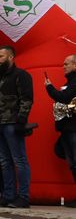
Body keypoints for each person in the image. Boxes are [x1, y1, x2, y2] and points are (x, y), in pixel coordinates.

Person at [0, 45, 33, 209]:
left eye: (0, 56)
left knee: (19, 160)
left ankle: (23, 197)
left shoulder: (21, 75)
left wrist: (21, 120)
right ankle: (8, 196)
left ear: (10, 57)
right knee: (4, 162)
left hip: (12, 123)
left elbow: (27, 99)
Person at [45, 54, 76, 208]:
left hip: (73, 129)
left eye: (66, 64)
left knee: (75, 162)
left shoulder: (74, 82)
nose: (63, 66)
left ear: (75, 65)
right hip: (67, 129)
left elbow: (65, 98)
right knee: (67, 157)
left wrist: (49, 87)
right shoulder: (69, 82)